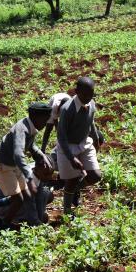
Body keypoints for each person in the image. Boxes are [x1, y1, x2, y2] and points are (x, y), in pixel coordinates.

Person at [0, 103, 53, 226]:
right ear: (36, 117)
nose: (46, 123)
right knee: (18, 199)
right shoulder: (22, 129)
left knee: (27, 193)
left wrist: (41, 155)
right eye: (45, 119)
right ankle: (3, 224)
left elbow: (30, 145)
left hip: (13, 163)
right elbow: (18, 154)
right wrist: (29, 178)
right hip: (2, 163)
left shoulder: (30, 126)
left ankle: (33, 221)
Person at [56, 77, 104, 216]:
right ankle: (66, 210)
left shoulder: (91, 103)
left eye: (91, 94)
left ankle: (74, 191)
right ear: (76, 92)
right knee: (71, 180)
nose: (88, 97)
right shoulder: (67, 109)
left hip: (84, 142)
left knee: (95, 175)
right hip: (68, 146)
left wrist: (96, 139)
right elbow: (61, 137)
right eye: (85, 94)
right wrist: (71, 158)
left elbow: (91, 122)